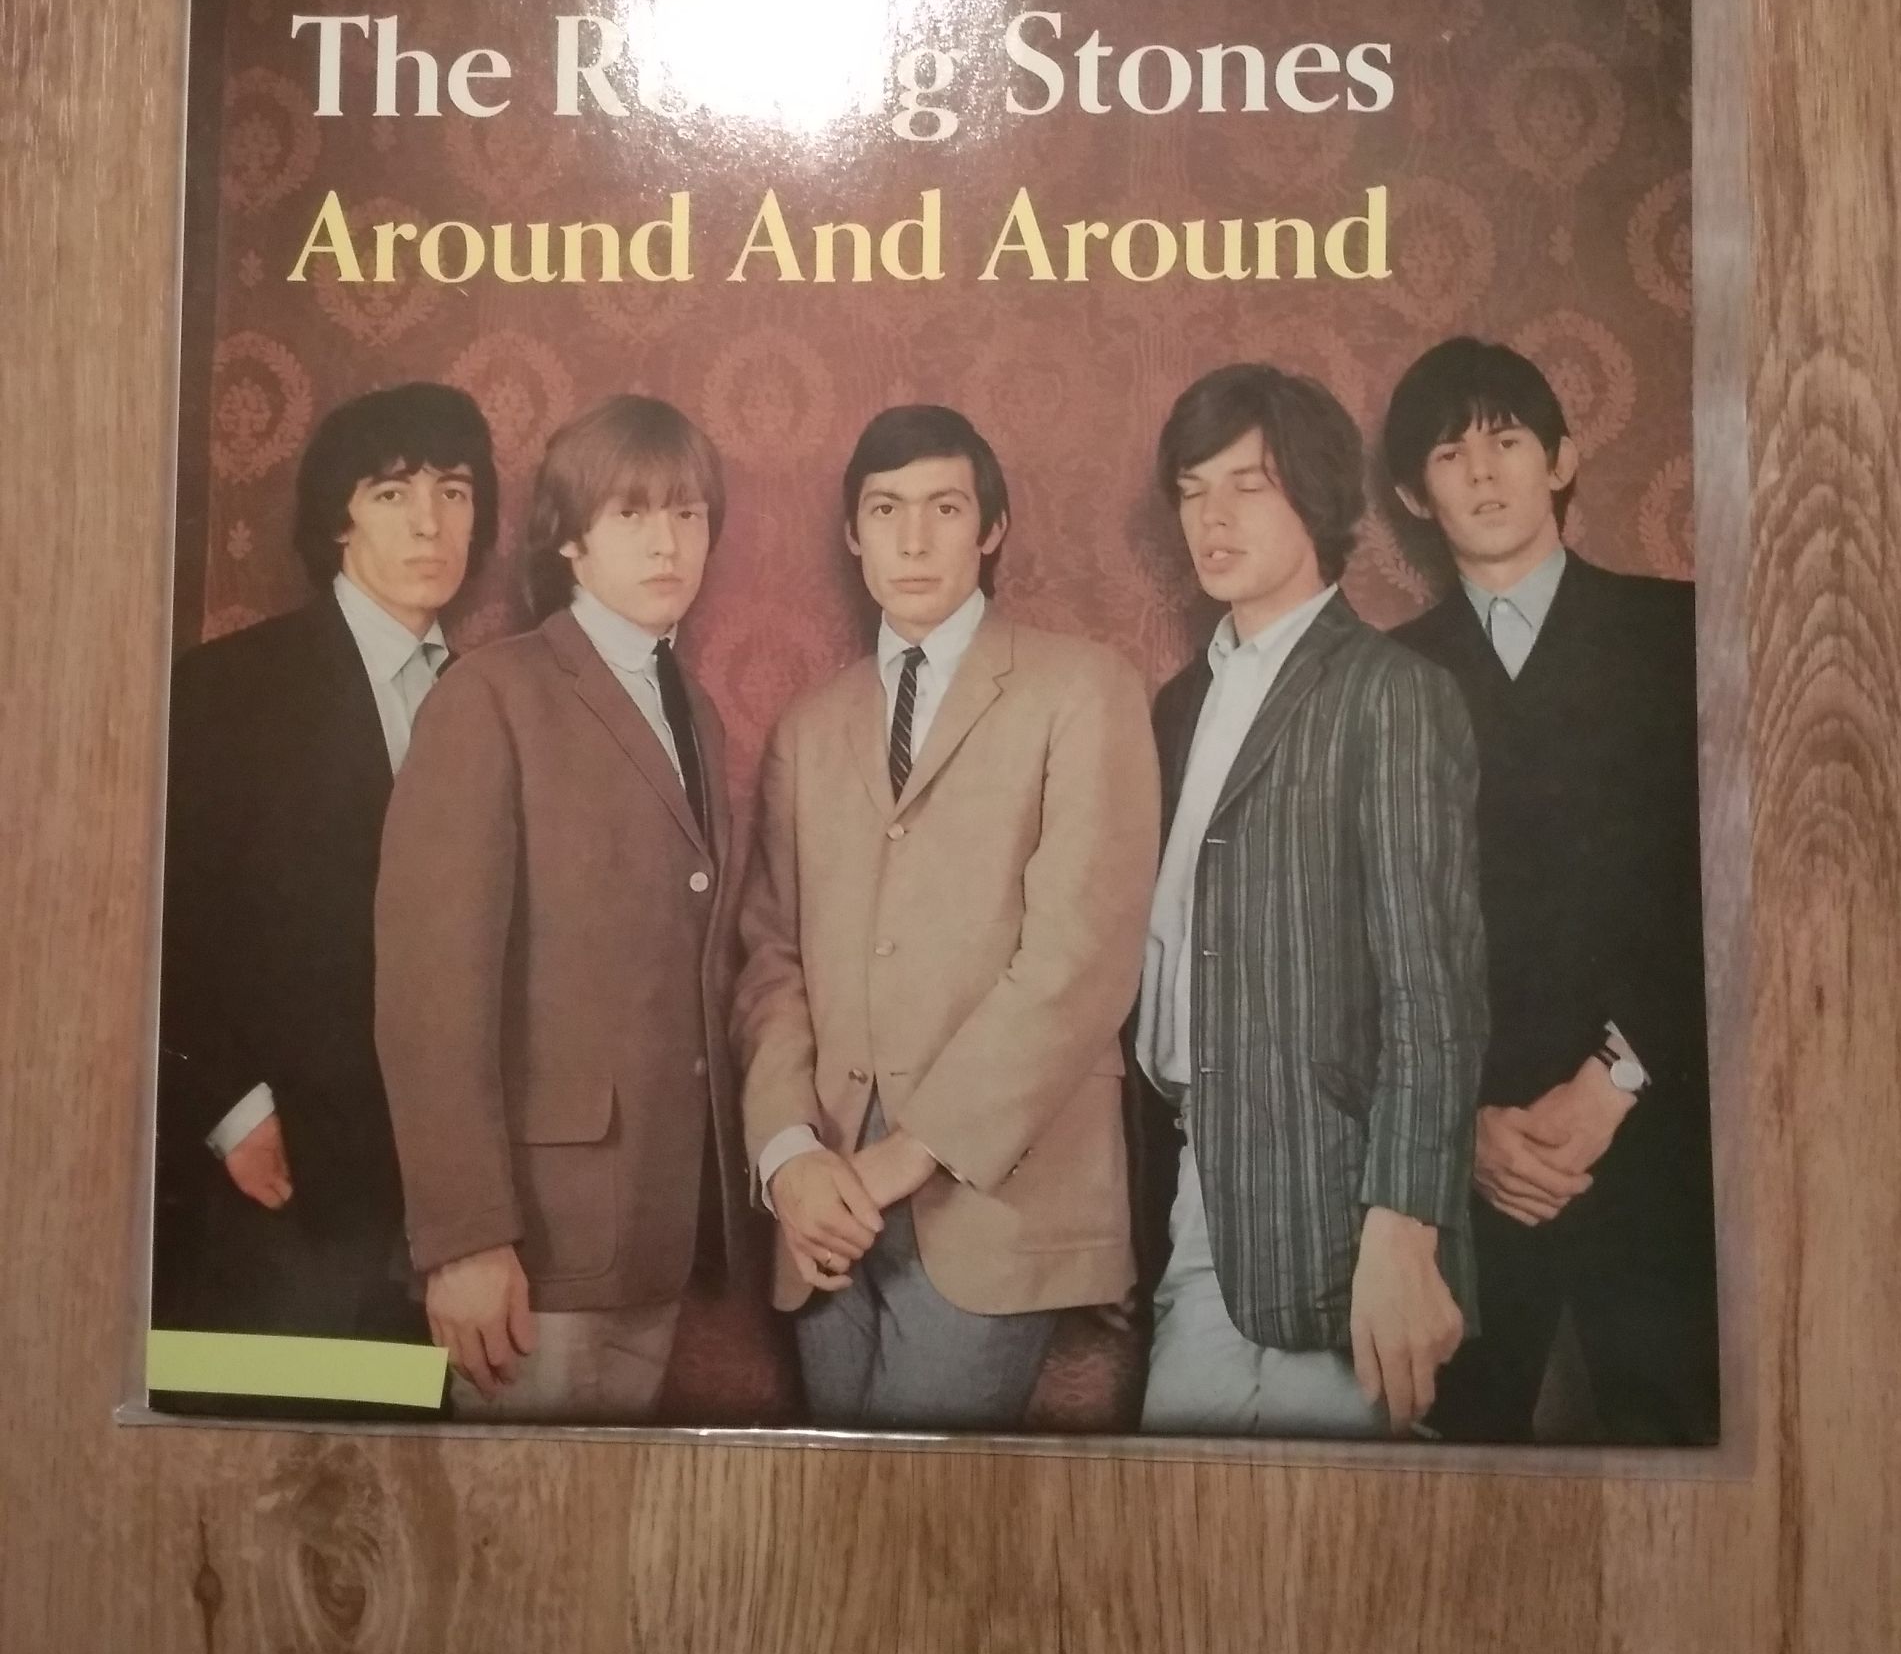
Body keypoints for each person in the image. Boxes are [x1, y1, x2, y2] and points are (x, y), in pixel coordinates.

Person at [734, 403, 1160, 1432]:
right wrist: (789, 1156)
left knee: (915, 1508)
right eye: (886, 510)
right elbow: (772, 959)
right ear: (853, 535)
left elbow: (1080, 961)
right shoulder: (809, 727)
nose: (914, 539)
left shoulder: (1084, 689)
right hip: (828, 1200)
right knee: (836, 1498)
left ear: (992, 527)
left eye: (945, 507)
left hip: (992, 1192)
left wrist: (910, 1151)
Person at [374, 395, 749, 1424]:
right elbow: (430, 993)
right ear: (571, 539)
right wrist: (464, 1238)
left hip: (658, 1229)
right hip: (536, 1241)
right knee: (517, 1515)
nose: (668, 543)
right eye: (632, 514)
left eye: (688, 514)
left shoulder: (695, 710)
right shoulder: (492, 696)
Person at [1136, 363, 1486, 1439]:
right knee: (1177, 1520)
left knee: (1324, 1529)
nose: (1212, 518)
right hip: (1194, 1177)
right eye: (1193, 491)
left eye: (1248, 485)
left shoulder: (1393, 694)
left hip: (1339, 1205)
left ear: (1319, 497)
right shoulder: (1182, 704)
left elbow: (1434, 990)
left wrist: (1406, 1223)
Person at [1384, 336, 1719, 1443]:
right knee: (1454, 1469)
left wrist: (1616, 1079)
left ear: (1563, 460)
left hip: (1660, 1131)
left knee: (1675, 1450)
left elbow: (1738, 890)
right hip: (1472, 1159)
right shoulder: (1384, 678)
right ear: (1414, 495)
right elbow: (1374, 936)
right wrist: (1463, 1130)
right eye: (1449, 454)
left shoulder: (1683, 632)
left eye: (1508, 441)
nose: (1482, 472)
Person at [155, 380, 497, 1348]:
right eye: (392, 493)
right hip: (283, 1172)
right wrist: (231, 1109)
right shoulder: (230, 688)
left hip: (448, 1193)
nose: (430, 523)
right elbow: (162, 920)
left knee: (421, 1432)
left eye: (454, 491)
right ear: (338, 520)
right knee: (295, 1429)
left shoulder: (490, 699)